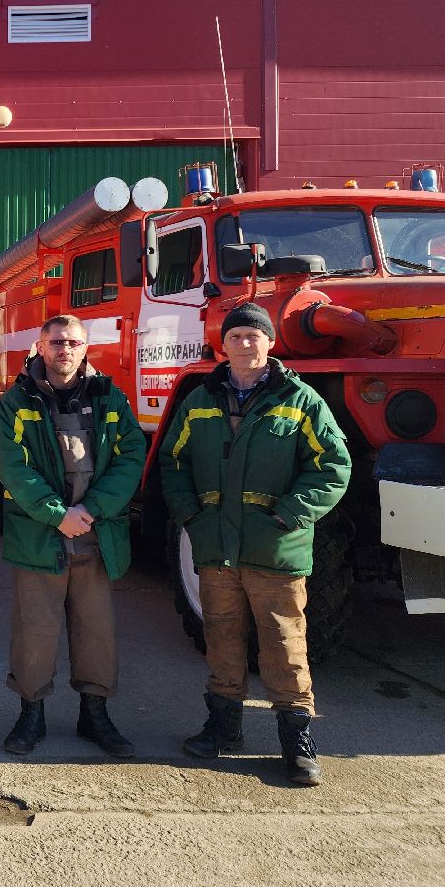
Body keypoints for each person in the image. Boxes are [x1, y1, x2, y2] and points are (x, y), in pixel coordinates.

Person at [159, 302, 350, 786]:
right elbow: (173, 464)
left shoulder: (300, 401)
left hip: (275, 551)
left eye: (254, 335)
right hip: (216, 550)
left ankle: (297, 742)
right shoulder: (200, 400)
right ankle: (223, 729)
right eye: (237, 335)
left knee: (285, 646)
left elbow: (333, 468)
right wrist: (192, 518)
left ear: (270, 343)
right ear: (223, 345)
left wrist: (288, 515)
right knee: (221, 641)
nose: (245, 343)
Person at [0, 314, 147, 757]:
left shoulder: (109, 397)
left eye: (73, 342)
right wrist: (57, 514)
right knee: (34, 631)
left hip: (95, 535)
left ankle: (94, 715)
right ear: (40, 348)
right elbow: (13, 468)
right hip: (42, 535)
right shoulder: (16, 401)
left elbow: (131, 454)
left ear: (86, 349)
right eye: (56, 342)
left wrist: (93, 510)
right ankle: (31, 714)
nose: (65, 349)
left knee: (96, 630)